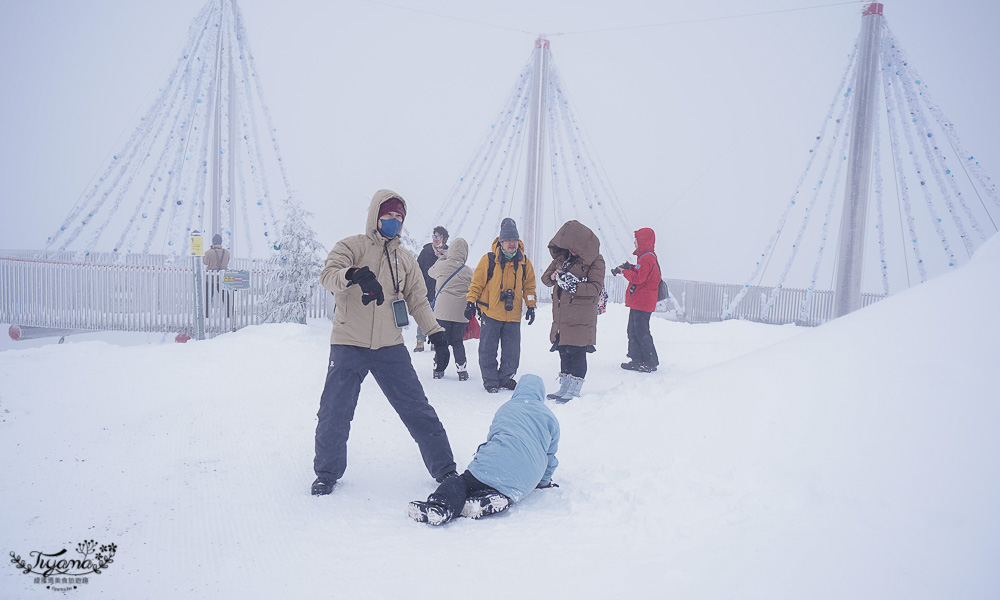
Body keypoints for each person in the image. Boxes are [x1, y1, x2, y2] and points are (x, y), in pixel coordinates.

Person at [311, 189, 457, 496]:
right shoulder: (350, 246)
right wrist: (354, 274)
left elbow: (418, 300)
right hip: (349, 343)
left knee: (417, 408)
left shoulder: (404, 259)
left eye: (398, 217)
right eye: (388, 215)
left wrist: (436, 334)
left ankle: (445, 469)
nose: (392, 221)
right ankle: (326, 473)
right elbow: (328, 275)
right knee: (335, 411)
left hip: (390, 346)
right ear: (376, 215)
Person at [407, 374, 560, 526]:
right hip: (528, 478)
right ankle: (489, 498)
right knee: (497, 483)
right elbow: (550, 457)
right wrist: (544, 482)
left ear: (519, 390)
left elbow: (493, 437)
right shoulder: (551, 418)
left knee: (462, 482)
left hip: (495, 463)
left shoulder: (507, 408)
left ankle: (440, 507)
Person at [465, 218, 537, 393]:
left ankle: (505, 378)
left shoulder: (524, 262)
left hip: (513, 315)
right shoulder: (488, 260)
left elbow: (530, 287)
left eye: (514, 240)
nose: (512, 244)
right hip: (491, 313)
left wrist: (531, 305)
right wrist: (470, 301)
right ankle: (490, 380)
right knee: (487, 349)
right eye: (508, 240)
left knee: (512, 352)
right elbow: (477, 284)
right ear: (501, 241)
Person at [540, 220, 605, 402]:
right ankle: (564, 388)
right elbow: (545, 278)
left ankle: (574, 390)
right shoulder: (563, 258)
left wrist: (574, 285)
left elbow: (595, 288)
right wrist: (554, 277)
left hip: (581, 317)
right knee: (564, 351)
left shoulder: (596, 261)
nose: (573, 251)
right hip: (562, 317)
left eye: (576, 248)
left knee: (577, 352)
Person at [611, 227, 660, 373]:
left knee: (641, 332)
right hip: (640, 301)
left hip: (643, 302)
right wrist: (630, 267)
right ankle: (637, 359)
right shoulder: (646, 257)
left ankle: (650, 362)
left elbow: (638, 278)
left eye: (637, 240)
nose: (634, 243)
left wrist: (623, 271)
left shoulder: (647, 258)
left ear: (643, 241)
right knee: (633, 330)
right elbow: (640, 272)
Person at [428, 237, 473, 381]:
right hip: (461, 313)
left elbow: (430, 272)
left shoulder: (442, 266)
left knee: (442, 341)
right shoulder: (468, 271)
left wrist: (443, 258)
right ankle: (462, 369)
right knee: (457, 340)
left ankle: (439, 369)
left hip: (442, 312)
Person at [414, 226, 449, 352]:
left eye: (438, 237)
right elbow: (417, 269)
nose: (435, 239)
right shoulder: (426, 251)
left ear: (443, 239)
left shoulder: (448, 253)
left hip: (441, 290)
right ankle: (420, 341)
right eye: (434, 236)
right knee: (423, 315)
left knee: (438, 316)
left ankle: (435, 341)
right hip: (425, 288)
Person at [203, 233, 230, 317]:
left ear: (213, 242)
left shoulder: (208, 252)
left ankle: (206, 315)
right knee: (225, 297)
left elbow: (205, 262)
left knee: (208, 298)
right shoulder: (226, 252)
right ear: (221, 242)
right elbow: (227, 261)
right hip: (222, 278)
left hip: (210, 279)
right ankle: (229, 314)